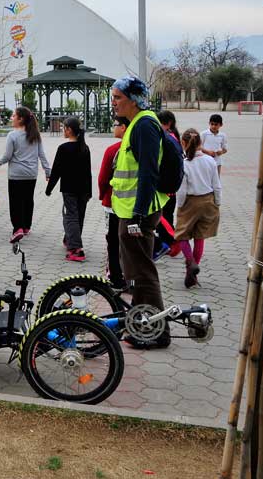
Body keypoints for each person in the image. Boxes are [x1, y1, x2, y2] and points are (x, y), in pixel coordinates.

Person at [110, 76, 171, 349]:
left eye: (118, 97)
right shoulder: (137, 123)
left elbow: (148, 172)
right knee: (136, 271)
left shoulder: (144, 125)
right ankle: (140, 325)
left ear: (133, 99)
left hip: (138, 212)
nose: (114, 102)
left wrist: (137, 214)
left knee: (143, 272)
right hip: (130, 210)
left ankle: (158, 332)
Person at [175, 128, 222, 288]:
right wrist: (217, 202)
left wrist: (180, 204)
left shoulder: (185, 164)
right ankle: (192, 275)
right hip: (208, 200)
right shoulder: (210, 161)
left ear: (183, 143)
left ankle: (190, 263)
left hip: (190, 202)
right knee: (199, 236)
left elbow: (181, 189)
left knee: (182, 235)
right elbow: (217, 184)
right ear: (200, 143)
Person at [0, 106, 50, 242]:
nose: (12, 118)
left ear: (21, 119)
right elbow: (41, 155)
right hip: (31, 174)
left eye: (14, 116)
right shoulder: (35, 134)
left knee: (15, 202)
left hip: (16, 175)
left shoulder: (12, 135)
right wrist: (48, 171)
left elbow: (8, 156)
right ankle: (26, 226)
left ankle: (17, 228)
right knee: (27, 199)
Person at [45, 117, 92, 261]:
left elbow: (56, 171)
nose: (62, 130)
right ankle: (70, 239)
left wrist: (49, 188)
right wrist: (90, 192)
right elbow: (88, 171)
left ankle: (76, 249)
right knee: (79, 216)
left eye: (63, 128)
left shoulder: (64, 148)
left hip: (69, 189)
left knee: (70, 216)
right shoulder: (85, 147)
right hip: (83, 189)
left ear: (69, 130)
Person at [98, 117, 129, 290]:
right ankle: (132, 278)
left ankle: (116, 278)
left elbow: (103, 178)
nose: (113, 128)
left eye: (115, 125)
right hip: (134, 205)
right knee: (130, 242)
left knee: (113, 240)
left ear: (123, 127)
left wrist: (102, 195)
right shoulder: (140, 148)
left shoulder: (113, 150)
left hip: (113, 204)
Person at [154, 110, 182, 259]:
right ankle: (169, 241)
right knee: (166, 215)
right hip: (171, 186)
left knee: (162, 216)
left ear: (168, 123)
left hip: (165, 186)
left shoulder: (167, 139)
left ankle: (171, 240)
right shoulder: (174, 137)